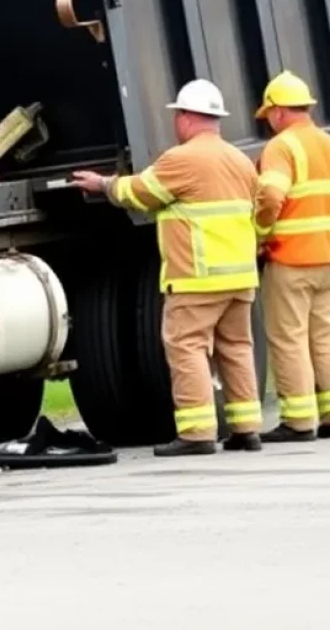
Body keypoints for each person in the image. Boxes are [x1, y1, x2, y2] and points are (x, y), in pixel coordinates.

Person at [71, 79, 263, 457]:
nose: (176, 122)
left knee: (186, 346)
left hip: (197, 277)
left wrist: (102, 184)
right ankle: (247, 429)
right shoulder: (241, 160)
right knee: (237, 349)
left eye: (178, 115)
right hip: (240, 277)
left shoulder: (181, 160)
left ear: (189, 118)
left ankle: (197, 433)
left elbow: (139, 193)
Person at [253, 70, 330, 443]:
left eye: (268, 114)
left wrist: (261, 233)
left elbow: (270, 196)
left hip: (291, 259)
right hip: (327, 259)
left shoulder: (281, 147)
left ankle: (299, 421)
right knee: (324, 338)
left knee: (289, 339)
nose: (267, 122)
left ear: (279, 111)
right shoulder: (325, 142)